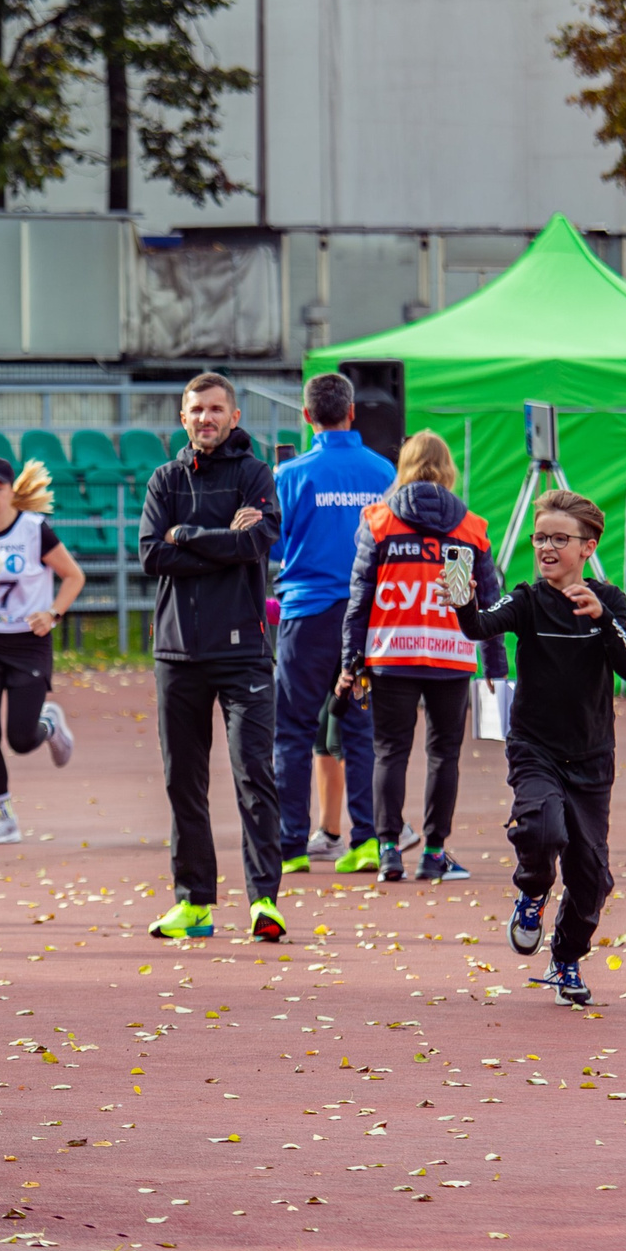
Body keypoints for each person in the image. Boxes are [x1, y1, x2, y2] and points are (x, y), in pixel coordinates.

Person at [456, 490, 626, 1007]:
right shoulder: (525, 599)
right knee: (541, 828)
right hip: (535, 747)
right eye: (541, 538)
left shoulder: (611, 601)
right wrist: (463, 599)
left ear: (588, 546)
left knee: (592, 878)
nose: (547, 548)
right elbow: (478, 625)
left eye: (560, 539)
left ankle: (565, 960)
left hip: (591, 758)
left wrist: (602, 617)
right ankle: (532, 892)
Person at [138, 371, 286, 943]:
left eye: (216, 409)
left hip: (244, 650)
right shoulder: (164, 479)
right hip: (176, 652)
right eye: (196, 409)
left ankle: (264, 902)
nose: (206, 418)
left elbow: (254, 542)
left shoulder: (255, 475)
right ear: (183, 418)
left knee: (254, 774)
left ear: (234, 417)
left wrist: (186, 536)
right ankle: (195, 902)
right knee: (184, 780)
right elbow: (152, 555)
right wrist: (214, 538)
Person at [337, 430, 500, 885]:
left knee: (389, 752)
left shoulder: (381, 521)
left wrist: (351, 661)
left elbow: (360, 600)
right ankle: (433, 852)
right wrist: (497, 666)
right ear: (448, 469)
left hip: (391, 653)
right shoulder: (470, 527)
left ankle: (388, 849)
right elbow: (488, 601)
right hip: (452, 653)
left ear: (404, 466)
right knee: (444, 755)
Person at [267, 370, 394, 874]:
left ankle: (292, 845)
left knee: (293, 731)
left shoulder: (290, 475)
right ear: (353, 412)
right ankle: (366, 841)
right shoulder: (383, 471)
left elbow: (273, 545)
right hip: (364, 617)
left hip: (306, 617)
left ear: (305, 417)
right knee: (361, 727)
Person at [0, 456, 85, 843]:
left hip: (28, 644)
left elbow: (74, 576)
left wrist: (53, 613)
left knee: (21, 739)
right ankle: (4, 817)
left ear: (11, 492)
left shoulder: (34, 531)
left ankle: (51, 724)